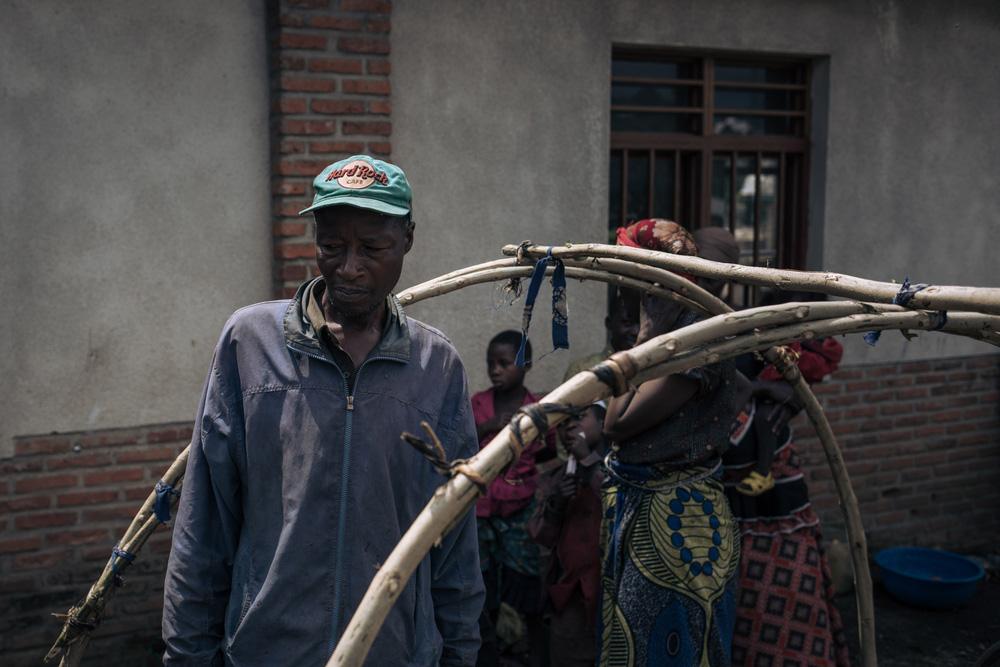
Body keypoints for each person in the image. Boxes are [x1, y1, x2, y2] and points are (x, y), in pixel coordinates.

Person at [162, 155, 484, 666]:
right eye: (332, 246)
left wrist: (459, 653)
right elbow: (204, 526)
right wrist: (187, 655)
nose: (349, 267)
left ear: (408, 241)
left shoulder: (436, 366)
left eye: (373, 248)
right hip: (267, 653)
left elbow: (455, 543)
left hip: (395, 655)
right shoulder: (249, 345)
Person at [600, 219, 743, 667]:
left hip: (677, 523)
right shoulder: (681, 329)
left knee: (672, 646)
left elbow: (616, 421)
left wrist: (647, 334)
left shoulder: (702, 338)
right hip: (646, 511)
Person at [723, 291, 850, 667]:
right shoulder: (721, 335)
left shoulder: (785, 344)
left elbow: (799, 381)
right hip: (727, 516)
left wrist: (788, 393)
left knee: (794, 615)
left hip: (779, 512)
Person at [472, 330, 554, 666]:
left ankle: (532, 653)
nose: (495, 370)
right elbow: (463, 438)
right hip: (481, 506)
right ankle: (488, 653)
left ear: (526, 365)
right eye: (491, 363)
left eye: (504, 363)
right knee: (482, 582)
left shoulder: (535, 409)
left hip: (520, 506)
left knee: (524, 583)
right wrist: (492, 424)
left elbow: (546, 450)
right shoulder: (479, 404)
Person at [528, 401, 608, 667]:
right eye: (562, 423)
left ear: (603, 422)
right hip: (570, 599)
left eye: (580, 416)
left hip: (611, 594)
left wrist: (589, 462)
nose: (570, 426)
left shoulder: (618, 471)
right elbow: (540, 534)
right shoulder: (554, 479)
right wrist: (556, 503)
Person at [562, 287, 640, 382]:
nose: (636, 331)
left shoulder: (654, 368)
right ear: (609, 323)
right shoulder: (582, 370)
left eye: (641, 323)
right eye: (627, 323)